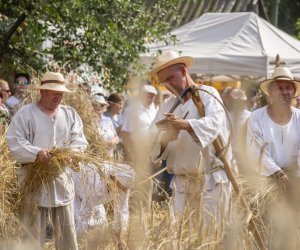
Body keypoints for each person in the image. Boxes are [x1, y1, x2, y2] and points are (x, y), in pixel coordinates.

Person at [149, 51, 232, 224]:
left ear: (183, 70)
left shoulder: (208, 94)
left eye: (171, 78)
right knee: (179, 239)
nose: (168, 85)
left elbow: (214, 124)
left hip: (211, 183)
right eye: (164, 82)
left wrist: (186, 125)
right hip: (181, 185)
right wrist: (166, 136)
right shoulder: (167, 105)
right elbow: (152, 140)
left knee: (212, 239)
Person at [7, 71, 87, 249]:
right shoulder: (26, 114)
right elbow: (15, 141)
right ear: (42, 92)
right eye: (54, 93)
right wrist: (36, 153)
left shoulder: (70, 114)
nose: (58, 97)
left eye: (61, 93)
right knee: (33, 232)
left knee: (67, 231)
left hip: (61, 178)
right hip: (33, 180)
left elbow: (80, 140)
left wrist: (71, 153)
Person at [247, 66, 300, 189]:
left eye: (288, 88)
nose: (284, 92)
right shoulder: (256, 117)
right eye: (279, 88)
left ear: (293, 92)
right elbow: (255, 151)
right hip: (266, 183)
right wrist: (277, 173)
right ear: (270, 92)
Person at [121, 84, 158, 162]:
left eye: (152, 97)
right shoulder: (131, 110)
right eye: (147, 96)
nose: (149, 99)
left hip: (152, 150)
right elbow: (125, 133)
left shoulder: (153, 110)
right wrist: (130, 153)